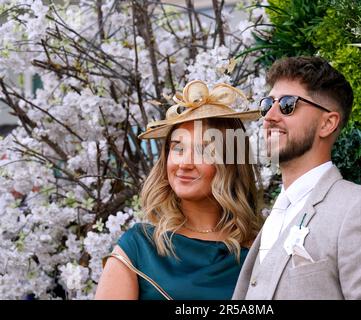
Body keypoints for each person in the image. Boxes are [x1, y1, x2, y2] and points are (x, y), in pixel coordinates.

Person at [232, 56, 361, 300]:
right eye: (267, 104)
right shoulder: (276, 214)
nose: (269, 116)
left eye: (287, 104)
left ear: (327, 123)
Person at [95, 80, 263, 300]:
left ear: (231, 163)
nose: (184, 163)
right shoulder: (138, 247)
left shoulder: (262, 248)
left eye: (203, 150)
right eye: (178, 148)